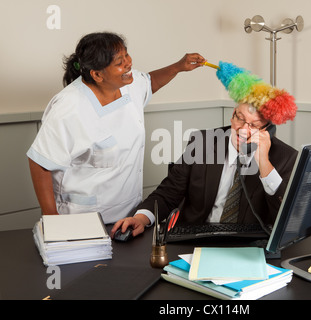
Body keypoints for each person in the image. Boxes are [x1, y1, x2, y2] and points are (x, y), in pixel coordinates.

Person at [27, 32, 205, 225]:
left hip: (129, 216)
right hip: (82, 219)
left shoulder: (128, 82)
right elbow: (41, 163)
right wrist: (53, 222)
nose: (128, 63)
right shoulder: (69, 106)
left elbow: (149, 83)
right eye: (120, 61)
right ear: (97, 74)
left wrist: (179, 67)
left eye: (127, 55)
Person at [111, 102, 298, 238]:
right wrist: (142, 218)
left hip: (250, 246)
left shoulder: (285, 158)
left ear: (268, 129)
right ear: (233, 113)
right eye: (239, 118)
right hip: (196, 240)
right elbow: (168, 193)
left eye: (254, 125)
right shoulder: (202, 143)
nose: (242, 130)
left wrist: (264, 163)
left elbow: (287, 220)